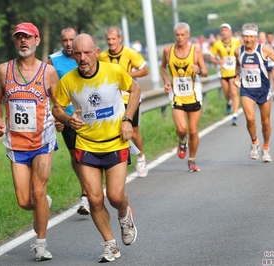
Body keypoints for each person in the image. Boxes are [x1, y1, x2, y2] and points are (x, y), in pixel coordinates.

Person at [52, 33, 140, 262]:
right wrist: (68, 119)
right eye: (77, 53)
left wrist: (128, 119)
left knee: (114, 196)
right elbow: (57, 107)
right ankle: (110, 244)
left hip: (115, 143)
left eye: (87, 52)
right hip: (86, 145)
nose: (82, 58)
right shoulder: (68, 80)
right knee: (94, 199)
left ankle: (124, 215)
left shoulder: (112, 71)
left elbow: (135, 90)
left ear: (97, 52)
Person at [0, 22, 58, 261]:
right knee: (24, 201)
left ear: (37, 41)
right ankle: (42, 205)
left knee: (38, 192)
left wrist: (61, 119)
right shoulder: (3, 70)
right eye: (18, 37)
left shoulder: (48, 72)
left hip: (42, 141)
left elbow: (58, 103)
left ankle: (41, 245)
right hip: (16, 143)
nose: (23, 41)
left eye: (27, 37)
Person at [47, 26, 90, 215]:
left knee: (91, 153)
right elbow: (48, 91)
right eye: (64, 40)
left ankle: (90, 191)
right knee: (77, 156)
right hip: (68, 117)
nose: (68, 44)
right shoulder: (53, 61)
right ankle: (85, 194)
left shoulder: (87, 55)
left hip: (90, 115)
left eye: (71, 39)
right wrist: (57, 115)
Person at [98, 26, 149, 178]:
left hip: (130, 98)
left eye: (114, 39)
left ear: (120, 38)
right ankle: (120, 162)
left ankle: (141, 157)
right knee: (115, 131)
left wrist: (125, 75)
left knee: (133, 132)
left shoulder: (129, 53)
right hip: (112, 100)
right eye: (108, 39)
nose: (111, 42)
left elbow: (145, 70)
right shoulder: (102, 56)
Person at [233, 23, 274, 163]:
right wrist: (236, 77)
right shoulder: (238, 51)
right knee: (250, 119)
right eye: (245, 36)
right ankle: (254, 142)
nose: (248, 39)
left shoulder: (264, 50)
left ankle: (266, 147)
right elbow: (237, 68)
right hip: (247, 90)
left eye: (251, 36)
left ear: (256, 37)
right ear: (242, 36)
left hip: (263, 90)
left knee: (265, 122)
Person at [160, 22, 208, 172]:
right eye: (177, 35)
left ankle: (192, 159)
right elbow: (162, 67)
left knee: (193, 130)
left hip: (193, 96)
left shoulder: (196, 51)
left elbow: (205, 72)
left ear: (188, 35)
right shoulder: (168, 51)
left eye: (182, 35)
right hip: (177, 97)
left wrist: (199, 70)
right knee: (182, 129)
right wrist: (166, 81)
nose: (180, 38)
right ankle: (182, 141)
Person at [209, 23, 241, 125]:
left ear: (230, 32)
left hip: (234, 72)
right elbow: (211, 57)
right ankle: (228, 103)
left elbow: (242, 53)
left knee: (234, 93)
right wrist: (218, 62)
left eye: (226, 30)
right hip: (223, 72)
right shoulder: (217, 44)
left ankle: (235, 115)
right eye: (222, 30)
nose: (224, 32)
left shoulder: (237, 42)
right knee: (227, 94)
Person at [265, 32, 274, 100]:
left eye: (271, 38)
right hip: (267, 63)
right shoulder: (264, 45)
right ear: (266, 38)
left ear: (273, 38)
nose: (270, 39)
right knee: (267, 79)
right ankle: (268, 90)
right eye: (268, 38)